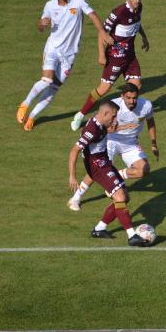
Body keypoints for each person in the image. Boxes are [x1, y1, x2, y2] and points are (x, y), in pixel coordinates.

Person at [16, 0, 113, 131]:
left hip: (70, 55)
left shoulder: (78, 1)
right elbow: (41, 27)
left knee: (54, 88)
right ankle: (24, 104)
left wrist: (102, 31)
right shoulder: (49, 5)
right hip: (53, 49)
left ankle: (32, 116)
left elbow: (93, 15)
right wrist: (41, 24)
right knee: (46, 80)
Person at [70, 0, 149, 131]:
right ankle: (80, 115)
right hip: (115, 57)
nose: (137, 0)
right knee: (104, 89)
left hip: (130, 56)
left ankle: (120, 114)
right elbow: (102, 31)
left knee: (136, 85)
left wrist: (144, 37)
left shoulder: (139, 8)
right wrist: (101, 54)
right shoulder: (118, 12)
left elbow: (137, 24)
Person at [68, 100, 148, 246]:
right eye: (113, 116)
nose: (115, 119)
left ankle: (99, 229)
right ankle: (131, 236)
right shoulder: (91, 129)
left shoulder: (101, 123)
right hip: (97, 167)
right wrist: (72, 176)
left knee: (125, 196)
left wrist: (123, 127)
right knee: (120, 196)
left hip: (105, 163)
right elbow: (74, 151)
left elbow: (106, 132)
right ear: (105, 113)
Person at [68, 83, 159, 211]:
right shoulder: (113, 107)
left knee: (143, 170)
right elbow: (99, 122)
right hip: (111, 140)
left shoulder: (147, 106)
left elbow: (151, 121)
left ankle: (116, 177)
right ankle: (76, 197)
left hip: (131, 143)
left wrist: (153, 143)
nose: (132, 101)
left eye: (134, 98)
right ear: (122, 96)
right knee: (98, 168)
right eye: (128, 98)